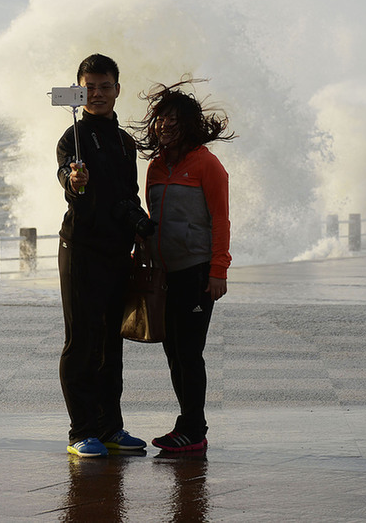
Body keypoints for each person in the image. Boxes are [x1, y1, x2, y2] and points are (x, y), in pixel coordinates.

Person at [56, 53, 152, 458]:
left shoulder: (124, 141)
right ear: (79, 90)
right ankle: (81, 431)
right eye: (89, 87)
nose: (97, 94)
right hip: (80, 250)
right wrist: (75, 181)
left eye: (104, 86)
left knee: (112, 342)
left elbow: (125, 194)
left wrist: (140, 221)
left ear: (117, 89)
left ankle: (111, 427)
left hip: (117, 251)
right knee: (82, 340)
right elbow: (68, 178)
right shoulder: (71, 138)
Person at [133, 79, 234, 453]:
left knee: (188, 350)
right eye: (161, 119)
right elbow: (154, 215)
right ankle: (188, 424)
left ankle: (194, 427)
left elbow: (220, 220)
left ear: (190, 124)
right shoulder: (157, 167)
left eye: (174, 119)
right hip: (165, 273)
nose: (165, 125)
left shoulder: (208, 165)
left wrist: (218, 271)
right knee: (173, 349)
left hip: (196, 272)